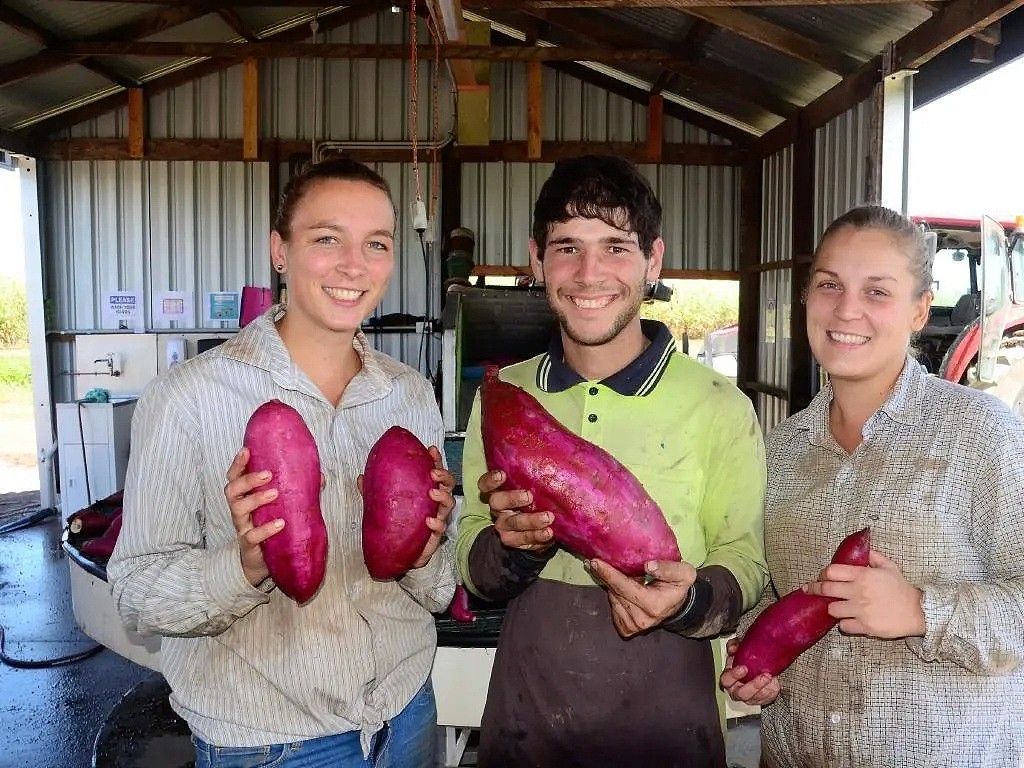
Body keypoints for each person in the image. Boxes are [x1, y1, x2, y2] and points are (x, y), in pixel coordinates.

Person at [107, 158, 457, 768]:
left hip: (406, 713)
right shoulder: (190, 396)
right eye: (327, 238)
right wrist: (242, 566)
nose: (355, 265)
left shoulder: (409, 394)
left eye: (377, 243)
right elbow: (136, 594)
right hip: (269, 742)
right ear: (279, 250)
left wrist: (426, 556)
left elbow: (438, 588)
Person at [454, 154, 768, 767]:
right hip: (526, 735)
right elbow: (473, 566)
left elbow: (745, 562)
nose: (589, 273)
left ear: (653, 261)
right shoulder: (501, 399)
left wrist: (692, 601)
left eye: (616, 247)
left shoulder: (719, 406)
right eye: (566, 247)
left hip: (669, 736)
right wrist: (514, 550)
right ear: (536, 261)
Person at [720, 205, 1024, 767]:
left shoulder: (983, 435)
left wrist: (922, 611)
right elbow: (775, 590)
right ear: (807, 298)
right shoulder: (779, 452)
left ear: (919, 311)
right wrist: (755, 649)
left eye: (877, 291)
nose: (847, 309)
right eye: (830, 285)